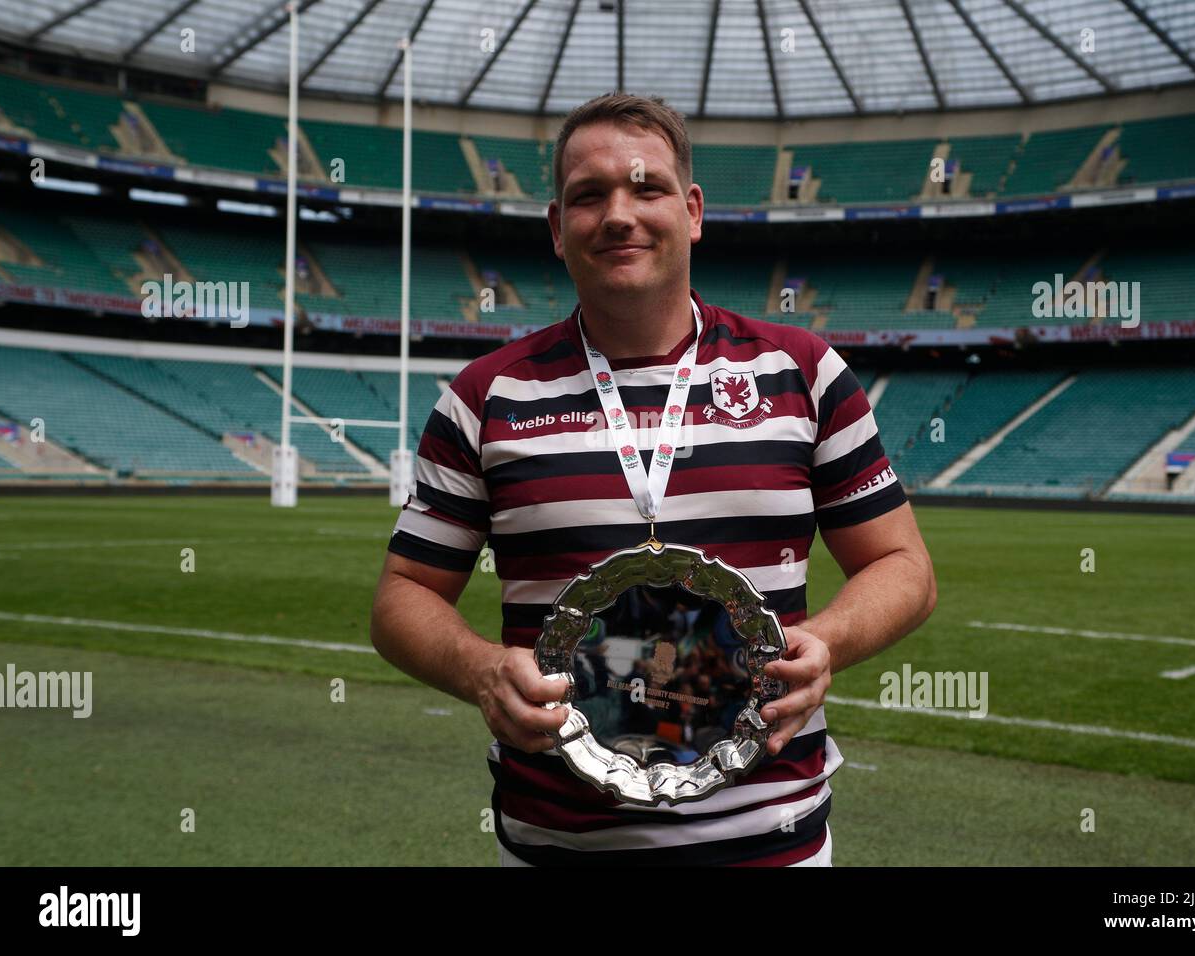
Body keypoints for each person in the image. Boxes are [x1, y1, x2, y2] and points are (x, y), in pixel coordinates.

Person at [369, 91, 936, 867]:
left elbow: (904, 567)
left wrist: (827, 642)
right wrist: (479, 670)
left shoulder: (802, 373)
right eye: (588, 195)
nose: (618, 215)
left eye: (647, 188)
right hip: (555, 846)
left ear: (693, 211)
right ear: (557, 230)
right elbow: (402, 596)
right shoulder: (485, 397)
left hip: (773, 848)